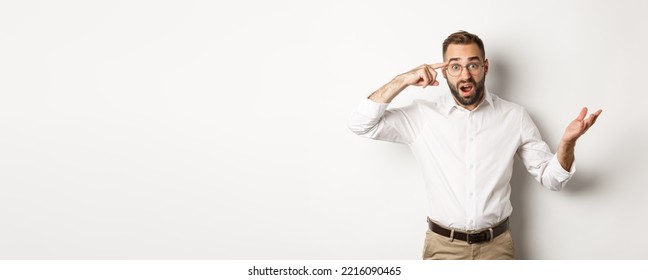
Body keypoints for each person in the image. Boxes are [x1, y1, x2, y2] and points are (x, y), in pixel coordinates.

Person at [347, 31, 602, 260]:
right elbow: (361, 124)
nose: (465, 75)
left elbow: (553, 180)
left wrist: (567, 143)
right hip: (443, 249)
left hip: (497, 248)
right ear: (444, 72)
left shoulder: (514, 116)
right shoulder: (422, 116)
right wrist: (403, 80)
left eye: (473, 65)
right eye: (455, 66)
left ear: (485, 66)